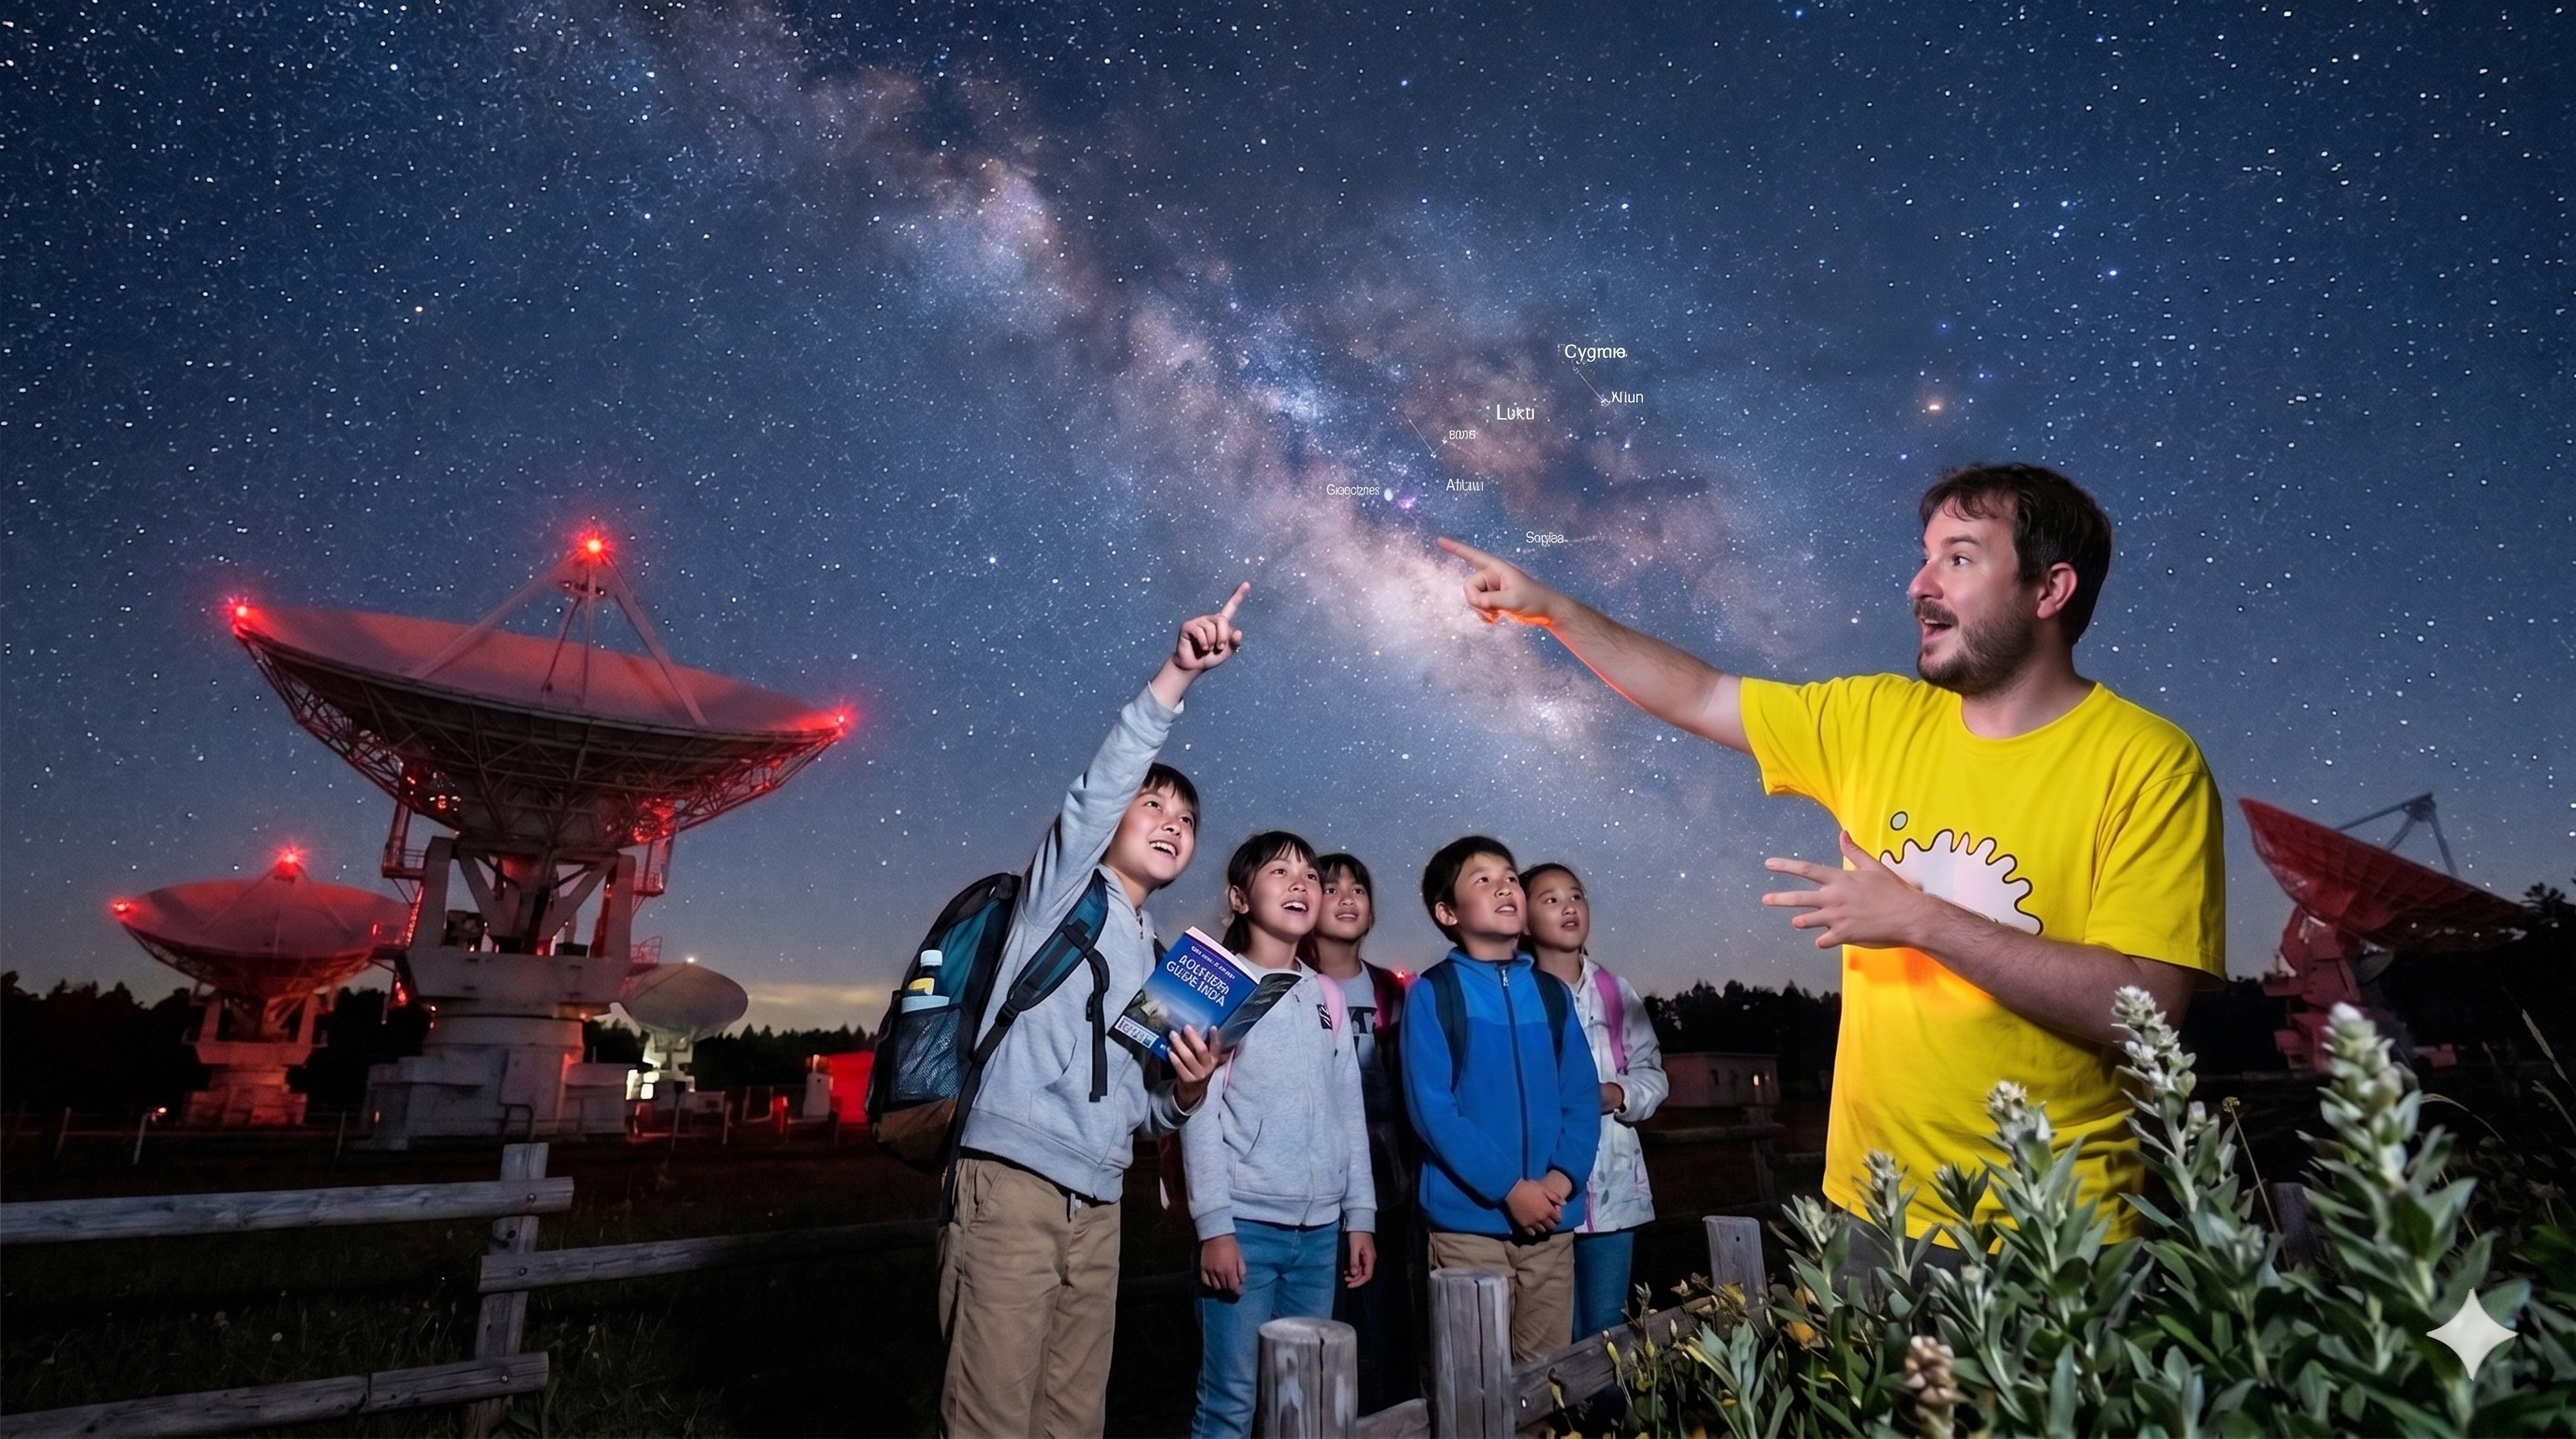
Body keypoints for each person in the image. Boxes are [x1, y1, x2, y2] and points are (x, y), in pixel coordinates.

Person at [1436, 463, 2225, 1257]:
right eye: (1922, 556)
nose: (1918, 584)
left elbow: (2145, 1006)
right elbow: (1702, 694)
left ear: (2049, 589)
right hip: (1870, 1205)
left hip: (2054, 1225)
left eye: (1958, 557)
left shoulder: (2148, 763)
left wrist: (1918, 918)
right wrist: (1555, 611)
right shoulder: (1875, 718)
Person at [939, 586, 1245, 1439]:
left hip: (1099, 1198)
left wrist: (1184, 1092)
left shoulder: (1159, 954)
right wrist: (1177, 678)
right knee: (991, 1418)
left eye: (1186, 819)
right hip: (1012, 1182)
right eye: (1152, 806)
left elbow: (1145, 1105)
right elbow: (1096, 788)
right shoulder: (1062, 889)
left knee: (1073, 1421)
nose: (1171, 824)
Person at [1183, 832, 1377, 1439]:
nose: (1301, 883)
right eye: (1280, 871)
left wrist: (1360, 1215)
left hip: (1320, 1238)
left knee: (1303, 1402)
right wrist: (1215, 1227)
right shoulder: (1210, 981)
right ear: (1240, 897)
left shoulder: (1326, 994)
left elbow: (1349, 1108)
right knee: (1231, 1402)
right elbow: (1195, 1111)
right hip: (1245, 1227)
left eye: (1310, 875)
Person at [1401, 836, 1600, 1362]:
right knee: (1475, 1382)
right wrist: (1510, 1188)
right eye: (1482, 879)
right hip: (1468, 1228)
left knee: (1544, 1381)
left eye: (1510, 876)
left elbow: (1580, 1099)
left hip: (1550, 1225)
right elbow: (1433, 1112)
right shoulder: (1433, 993)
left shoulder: (1553, 995)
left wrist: (1560, 1179)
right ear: (1448, 912)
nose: (1505, 886)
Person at [1520, 862, 1667, 1339]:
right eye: (1550, 899)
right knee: (1549, 1329)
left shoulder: (1614, 990)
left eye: (1577, 896)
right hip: (1542, 1192)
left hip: (1613, 1190)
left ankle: (1606, 1415)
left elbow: (1652, 1071)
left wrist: (1619, 1093)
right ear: (1523, 919)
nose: (1569, 906)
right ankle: (1556, 1417)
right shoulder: (1515, 991)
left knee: (1606, 1326)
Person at [1304, 852, 1420, 1411]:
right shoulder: (1288, 982)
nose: (1347, 896)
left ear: (1371, 914)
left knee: (1393, 1321)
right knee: (1322, 1327)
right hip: (1313, 1176)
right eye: (1331, 886)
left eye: (1359, 888)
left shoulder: (1396, 992)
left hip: (1389, 1181)